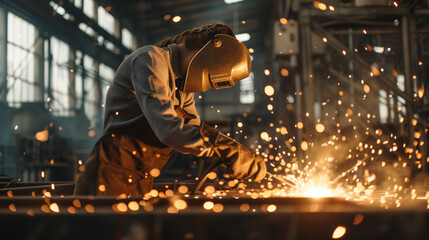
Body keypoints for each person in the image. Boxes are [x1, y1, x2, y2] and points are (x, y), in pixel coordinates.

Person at [74, 23, 266, 196]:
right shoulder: (150, 59)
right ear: (203, 55)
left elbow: (194, 131)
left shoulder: (181, 89)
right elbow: (168, 129)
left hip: (141, 178)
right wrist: (225, 149)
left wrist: (236, 153)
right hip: (109, 176)